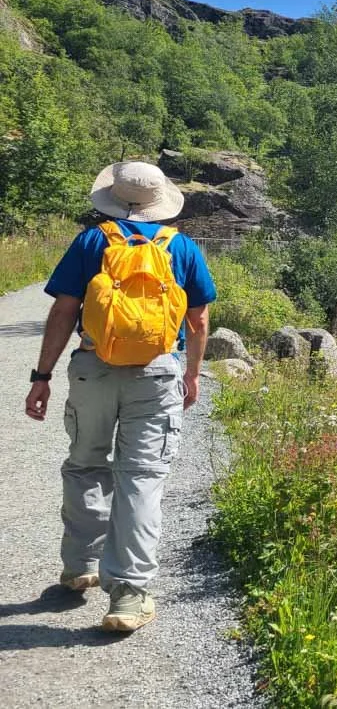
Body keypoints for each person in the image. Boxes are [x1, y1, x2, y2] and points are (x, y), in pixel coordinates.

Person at [23, 160, 216, 633]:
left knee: (86, 461)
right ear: (161, 202)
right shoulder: (182, 247)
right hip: (155, 374)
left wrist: (42, 375)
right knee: (141, 477)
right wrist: (191, 374)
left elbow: (64, 310)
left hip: (93, 368)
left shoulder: (93, 241)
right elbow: (198, 321)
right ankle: (128, 593)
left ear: (113, 198)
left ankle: (79, 565)